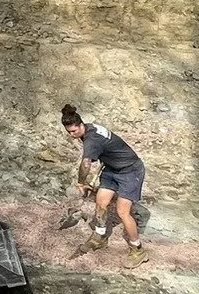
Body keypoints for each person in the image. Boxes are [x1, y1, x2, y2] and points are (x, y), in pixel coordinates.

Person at [62, 104, 149, 266]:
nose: (72, 135)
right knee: (101, 203)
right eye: (69, 132)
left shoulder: (92, 139)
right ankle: (100, 237)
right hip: (112, 169)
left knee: (122, 212)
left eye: (74, 131)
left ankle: (138, 250)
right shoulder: (89, 128)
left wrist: (81, 182)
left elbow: (86, 163)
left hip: (130, 171)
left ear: (81, 125)